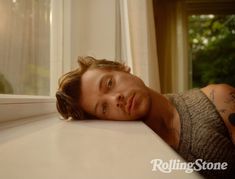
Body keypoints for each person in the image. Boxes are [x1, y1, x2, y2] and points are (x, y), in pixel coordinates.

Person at [56, 56, 235, 178]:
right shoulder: (127, 160)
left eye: (109, 83)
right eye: (104, 107)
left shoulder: (218, 98)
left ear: (123, 68)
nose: (115, 99)